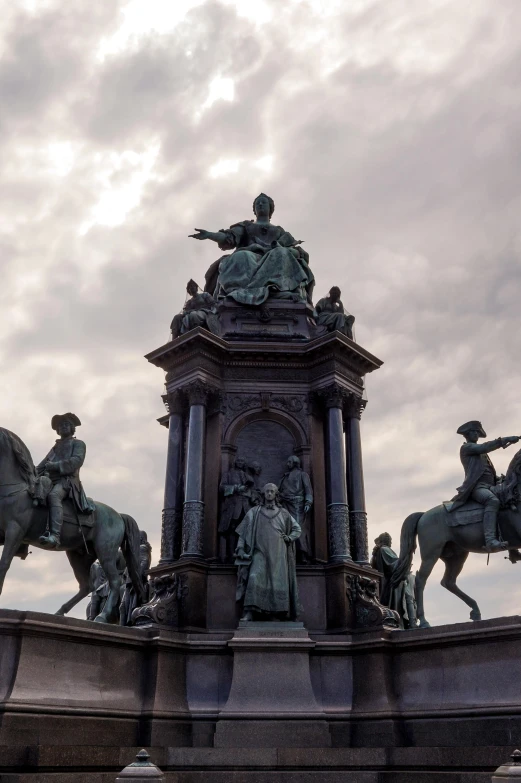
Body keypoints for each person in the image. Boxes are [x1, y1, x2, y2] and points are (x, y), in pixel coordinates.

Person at [190, 193, 314, 306]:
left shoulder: (280, 231)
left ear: (270, 209)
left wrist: (291, 251)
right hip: (251, 255)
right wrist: (209, 235)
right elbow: (229, 237)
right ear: (254, 210)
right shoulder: (246, 226)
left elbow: (296, 250)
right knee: (242, 256)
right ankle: (240, 291)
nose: (260, 204)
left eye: (263, 202)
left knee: (282, 253)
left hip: (274, 258)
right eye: (257, 203)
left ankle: (275, 288)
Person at [449, 421, 520, 552]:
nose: (476, 434)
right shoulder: (467, 448)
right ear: (467, 434)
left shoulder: (481, 453)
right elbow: (484, 447)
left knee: (508, 500)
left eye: (477, 432)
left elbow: (485, 472)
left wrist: (501, 479)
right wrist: (506, 439)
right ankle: (490, 540)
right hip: (477, 488)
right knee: (492, 501)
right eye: (474, 432)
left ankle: (512, 549)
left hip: (490, 486)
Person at [235, 483, 301, 621]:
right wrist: (240, 548)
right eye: (267, 492)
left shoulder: (284, 513)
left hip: (279, 554)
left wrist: (289, 538)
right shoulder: (254, 512)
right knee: (254, 577)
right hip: (260, 553)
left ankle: (275, 613)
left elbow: (297, 529)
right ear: (263, 494)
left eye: (272, 492)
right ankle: (249, 612)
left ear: (276, 494)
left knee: (276, 583)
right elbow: (243, 533)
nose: (269, 494)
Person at [37, 413, 94, 549]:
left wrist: (55, 466)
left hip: (67, 481)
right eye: (60, 425)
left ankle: (55, 536)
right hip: (50, 480)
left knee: (54, 496)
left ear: (73, 428)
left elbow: (76, 461)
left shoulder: (78, 444)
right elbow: (41, 466)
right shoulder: (55, 448)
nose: (63, 427)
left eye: (66, 424)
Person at [371, 533, 417, 629]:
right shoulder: (384, 549)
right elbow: (394, 565)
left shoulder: (381, 550)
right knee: (406, 597)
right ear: (385, 540)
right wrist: (406, 558)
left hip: (388, 583)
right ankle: (407, 623)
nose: (391, 541)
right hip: (393, 584)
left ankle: (410, 622)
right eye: (389, 539)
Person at [278, 455, 313, 564]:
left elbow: (308, 489)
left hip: (298, 505)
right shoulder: (285, 477)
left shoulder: (303, 475)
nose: (287, 464)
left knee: (298, 528)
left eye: (289, 462)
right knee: (285, 529)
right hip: (285, 505)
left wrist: (308, 501)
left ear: (295, 463)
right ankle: (288, 554)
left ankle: (302, 554)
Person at [218, 458, 253, 562]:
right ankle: (230, 554)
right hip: (233, 506)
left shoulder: (246, 475)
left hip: (246, 506)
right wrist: (237, 488)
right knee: (232, 529)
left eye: (242, 461)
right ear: (234, 462)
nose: (240, 463)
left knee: (247, 529)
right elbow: (222, 488)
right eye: (238, 461)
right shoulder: (228, 474)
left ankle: (246, 553)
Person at [120, 530, 152, 626]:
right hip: (130, 581)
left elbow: (144, 563)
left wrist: (136, 578)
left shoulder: (142, 548)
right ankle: (123, 628)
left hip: (134, 582)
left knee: (124, 607)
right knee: (123, 607)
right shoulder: (137, 549)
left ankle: (124, 628)